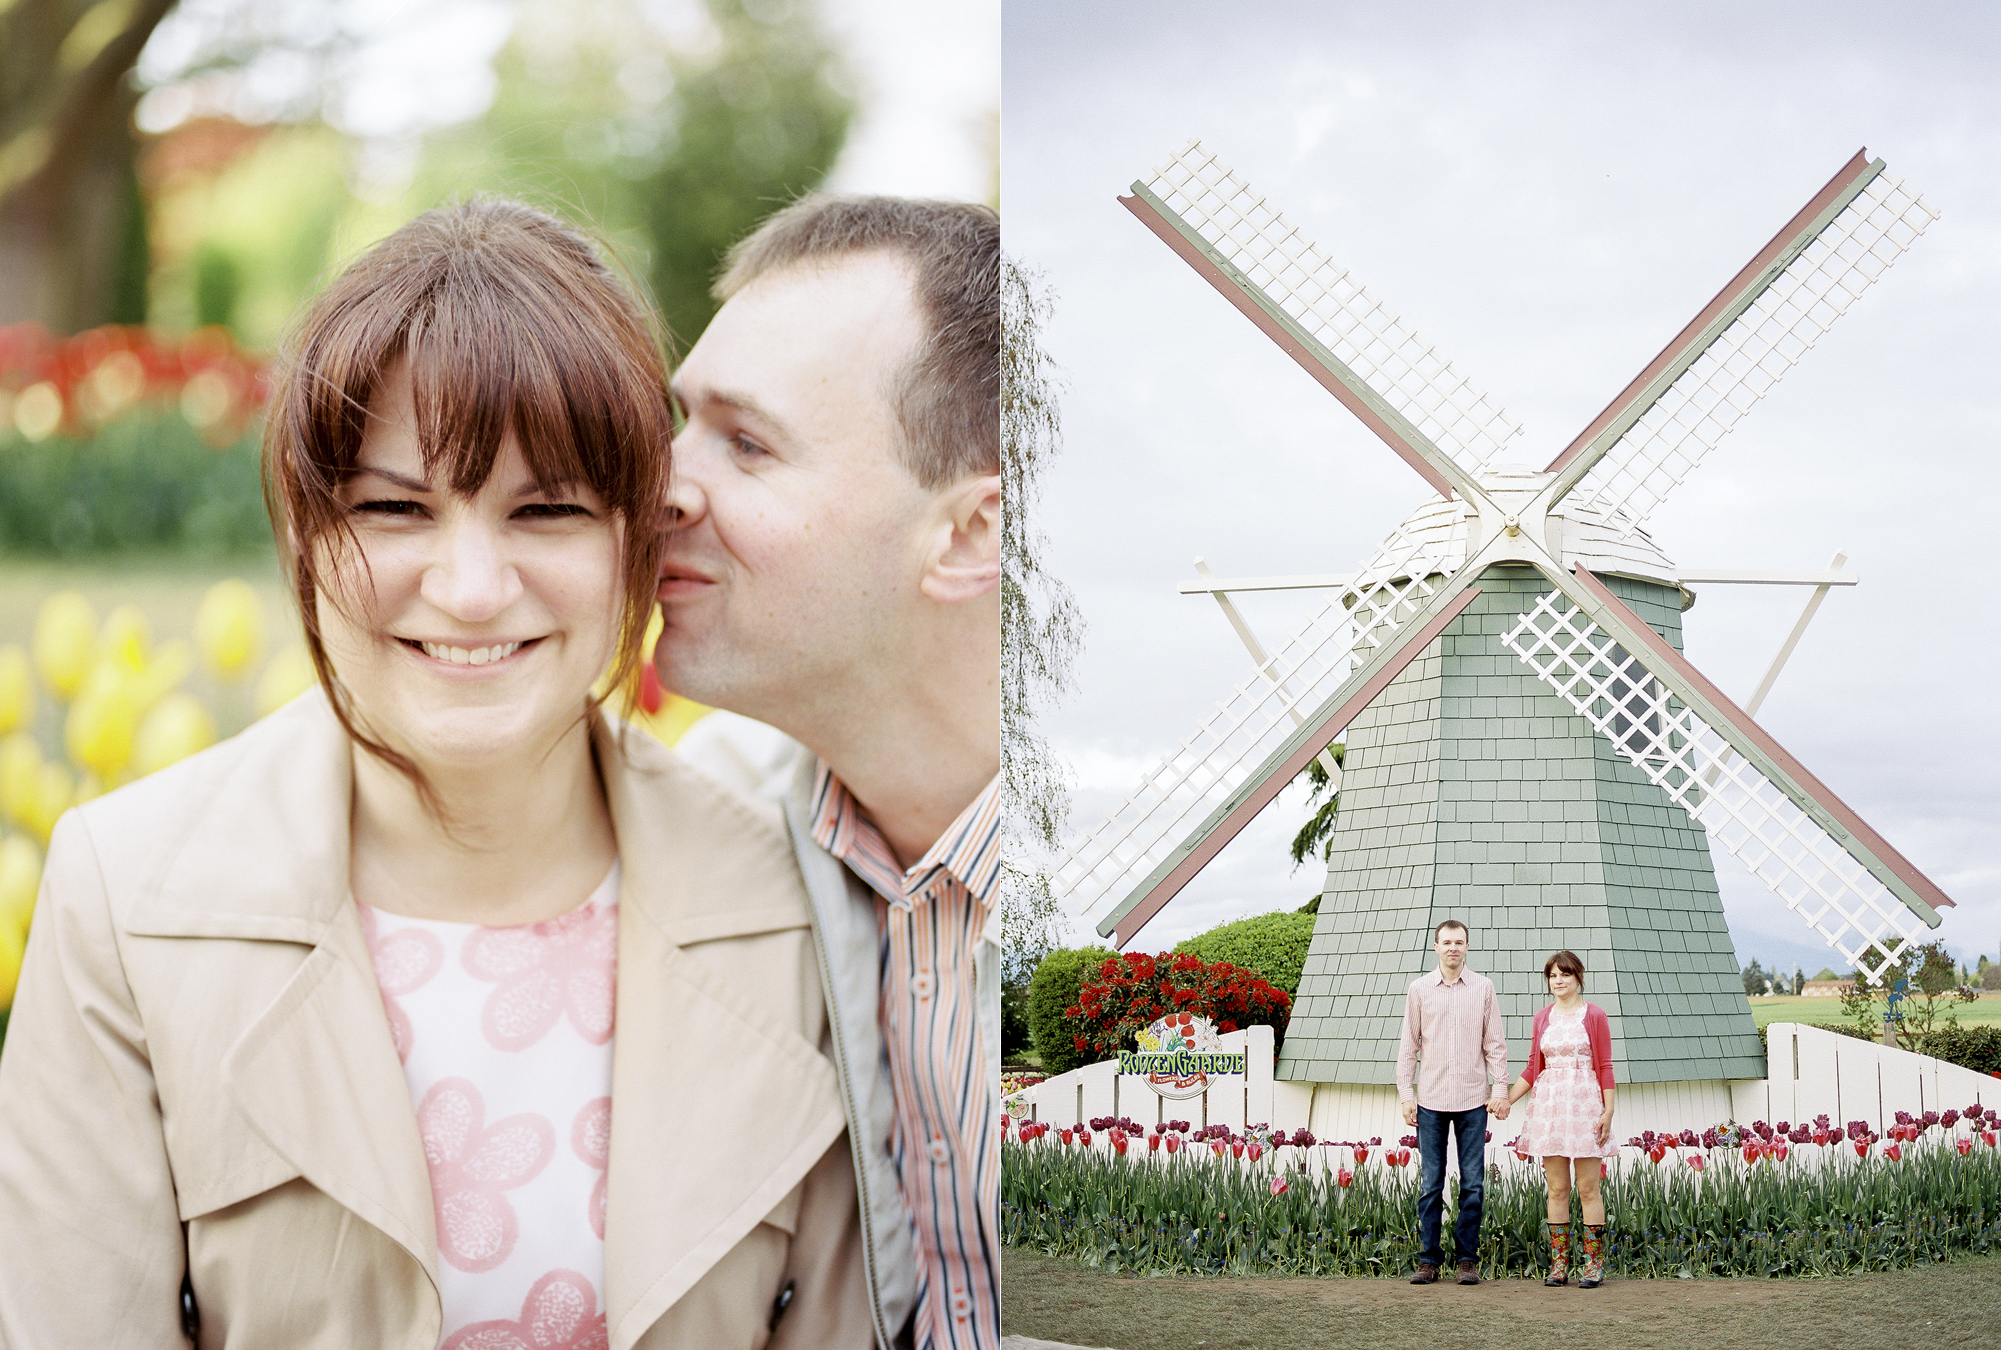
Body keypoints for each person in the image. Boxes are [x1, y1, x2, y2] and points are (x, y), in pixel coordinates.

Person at [0, 200, 870, 1347]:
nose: (469, 587)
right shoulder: (130, 897)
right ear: (309, 534)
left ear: (639, 539)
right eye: (396, 509)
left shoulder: (791, 899)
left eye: (546, 509)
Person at [654, 195, 999, 1350]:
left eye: (747, 443)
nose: (660, 485)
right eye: (679, 422)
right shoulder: (723, 814)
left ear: (968, 534)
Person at [1397, 918, 1510, 1286]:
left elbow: (1494, 1045)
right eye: (1446, 942)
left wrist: (1500, 1089)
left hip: (1473, 1101)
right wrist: (1406, 1095)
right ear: (1435, 947)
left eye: (1459, 942)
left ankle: (1467, 1260)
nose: (1453, 948)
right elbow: (1408, 1048)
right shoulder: (1418, 990)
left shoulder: (1484, 988)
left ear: (1467, 946)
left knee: (1473, 1183)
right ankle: (1428, 1260)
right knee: (1431, 1183)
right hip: (1429, 1100)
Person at [1501, 949, 1617, 1288]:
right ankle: (1558, 1266)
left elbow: (1606, 1066)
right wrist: (1504, 1100)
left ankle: (1593, 1265)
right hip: (1550, 1109)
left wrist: (1608, 1111)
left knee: (1588, 1188)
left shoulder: (1594, 1015)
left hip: (1585, 1106)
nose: (1559, 980)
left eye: (1565, 974)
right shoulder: (1542, 1018)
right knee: (1557, 1188)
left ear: (1578, 977)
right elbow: (1532, 1067)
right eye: (1553, 975)